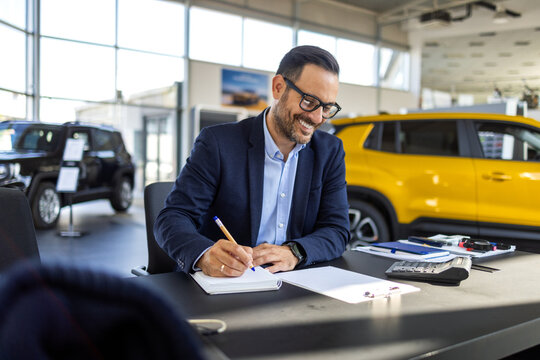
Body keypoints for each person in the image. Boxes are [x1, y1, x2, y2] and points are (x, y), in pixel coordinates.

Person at [155, 45, 350, 277]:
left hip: (295, 282)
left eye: (327, 108)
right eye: (309, 102)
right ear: (278, 87)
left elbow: (337, 230)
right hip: (230, 283)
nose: (318, 118)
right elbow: (173, 217)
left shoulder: (330, 151)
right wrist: (205, 254)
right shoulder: (218, 143)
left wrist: (294, 252)